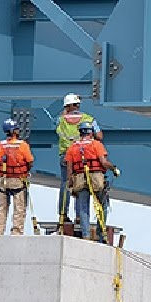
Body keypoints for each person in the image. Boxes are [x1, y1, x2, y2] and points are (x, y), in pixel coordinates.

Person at [64, 121, 118, 241]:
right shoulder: (96, 145)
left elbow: (69, 168)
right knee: (102, 204)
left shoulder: (73, 147)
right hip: (96, 178)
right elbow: (103, 162)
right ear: (91, 132)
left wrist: (70, 182)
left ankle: (86, 235)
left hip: (79, 179)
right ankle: (101, 232)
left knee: (83, 207)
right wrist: (114, 168)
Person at [55, 93, 101, 222]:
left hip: (66, 155)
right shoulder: (88, 119)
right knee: (80, 185)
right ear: (77, 105)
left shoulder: (61, 120)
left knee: (66, 184)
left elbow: (57, 127)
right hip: (82, 156)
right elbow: (100, 136)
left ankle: (63, 215)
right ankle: (80, 216)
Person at [0, 118, 34, 236]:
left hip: (3, 180)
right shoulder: (23, 145)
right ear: (13, 131)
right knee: (19, 208)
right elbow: (30, 161)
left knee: (2, 208)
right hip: (19, 180)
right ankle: (16, 232)